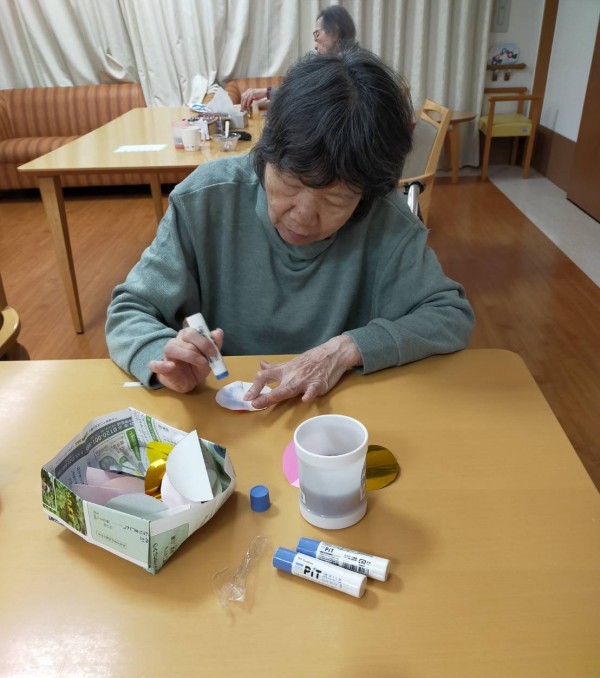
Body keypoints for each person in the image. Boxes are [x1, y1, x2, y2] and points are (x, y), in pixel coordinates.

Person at [106, 48, 474, 409]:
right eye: (291, 182)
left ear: (367, 195)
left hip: (339, 414)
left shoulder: (387, 220)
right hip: (229, 407)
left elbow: (449, 315)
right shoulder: (204, 200)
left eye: (335, 199)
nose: (303, 216)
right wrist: (164, 357)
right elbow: (130, 309)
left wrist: (348, 348)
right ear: (266, 154)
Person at [239, 5, 357, 111]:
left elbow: (304, 97)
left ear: (335, 32)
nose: (315, 46)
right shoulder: (346, 62)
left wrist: (266, 93)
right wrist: (265, 99)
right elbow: (305, 96)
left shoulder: (344, 71)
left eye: (317, 34)